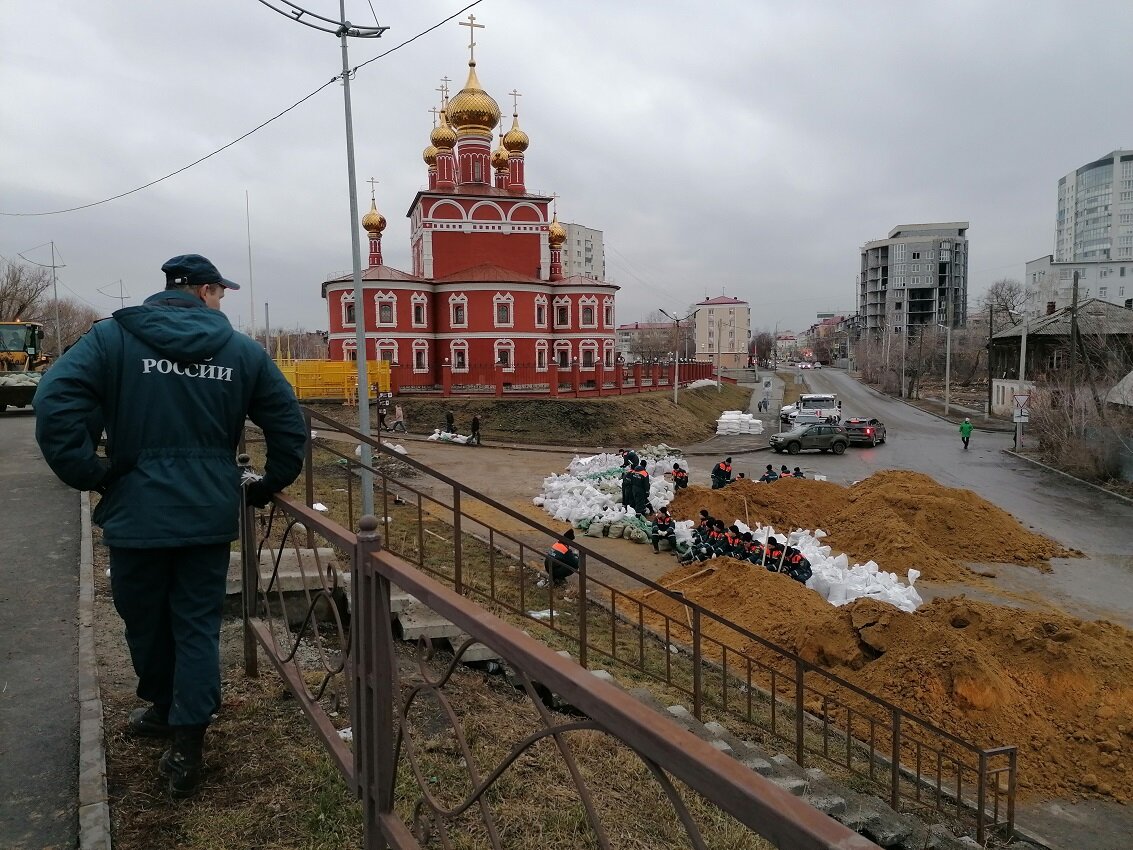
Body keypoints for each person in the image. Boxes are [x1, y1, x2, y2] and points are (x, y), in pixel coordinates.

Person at [33, 254, 307, 798]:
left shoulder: (112, 340)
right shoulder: (242, 351)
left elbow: (53, 400)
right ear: (205, 291)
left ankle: (162, 707)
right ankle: (188, 742)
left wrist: (89, 472)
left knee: (144, 620)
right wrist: (267, 484)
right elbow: (287, 421)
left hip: (136, 511)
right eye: (220, 292)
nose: (221, 301)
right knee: (196, 626)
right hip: (206, 514)